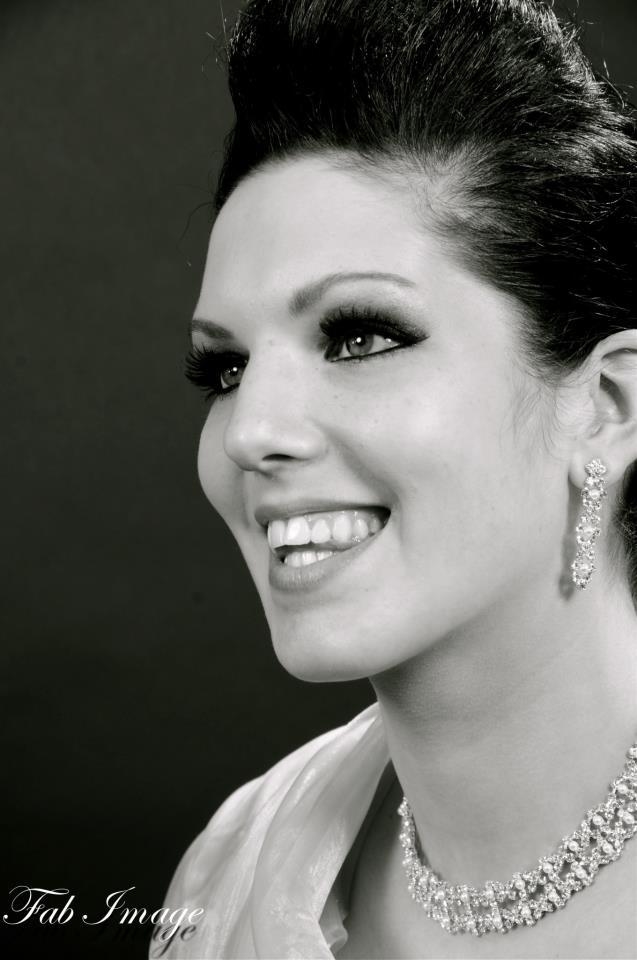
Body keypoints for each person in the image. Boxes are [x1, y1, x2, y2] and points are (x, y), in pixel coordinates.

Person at [156, 0, 637, 956]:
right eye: (227, 368)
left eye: (360, 336)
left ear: (606, 405)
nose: (249, 432)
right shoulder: (231, 876)